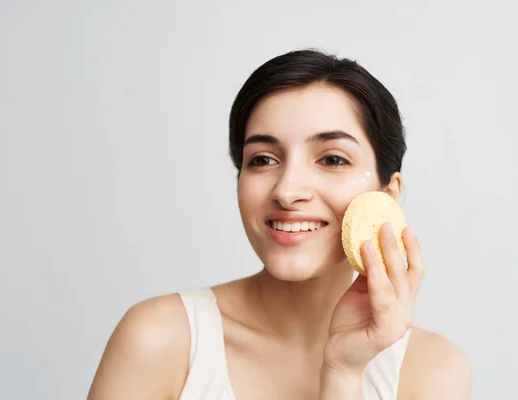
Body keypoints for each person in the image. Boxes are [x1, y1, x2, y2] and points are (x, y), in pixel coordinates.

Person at [87, 49, 472, 399]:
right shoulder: (160, 339)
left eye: (332, 159)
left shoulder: (432, 371)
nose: (287, 191)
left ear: (387, 196)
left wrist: (343, 373)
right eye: (263, 159)